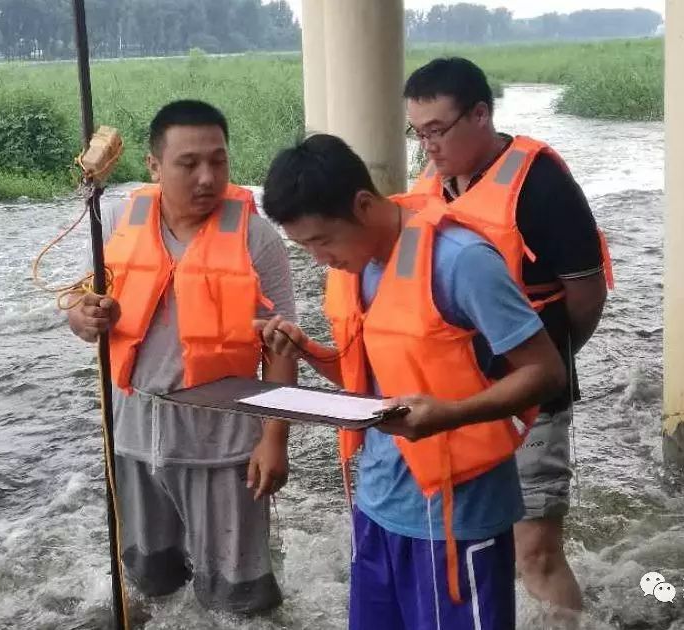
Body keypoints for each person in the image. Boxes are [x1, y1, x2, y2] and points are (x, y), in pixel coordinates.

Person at [256, 133, 566, 629]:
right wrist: (309, 352)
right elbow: (372, 378)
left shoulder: (461, 260)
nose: (320, 259)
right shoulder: (354, 266)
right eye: (306, 246)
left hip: (457, 518)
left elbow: (546, 371)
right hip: (378, 506)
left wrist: (451, 415)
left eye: (321, 241)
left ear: (362, 205)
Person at [67, 100, 297, 614]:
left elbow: (283, 348)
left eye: (218, 161)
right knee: (150, 583)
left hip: (223, 445)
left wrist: (275, 440)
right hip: (132, 436)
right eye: (188, 163)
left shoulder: (257, 239)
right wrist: (84, 320)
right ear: (153, 166)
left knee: (240, 597)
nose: (207, 177)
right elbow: (83, 313)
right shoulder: (115, 222)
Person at [403, 57, 613, 616]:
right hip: (457, 399)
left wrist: (542, 363)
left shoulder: (544, 187)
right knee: (469, 538)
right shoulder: (434, 183)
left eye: (437, 130)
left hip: (530, 401)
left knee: (537, 552)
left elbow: (586, 296)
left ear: (480, 114)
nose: (427, 146)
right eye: (418, 132)